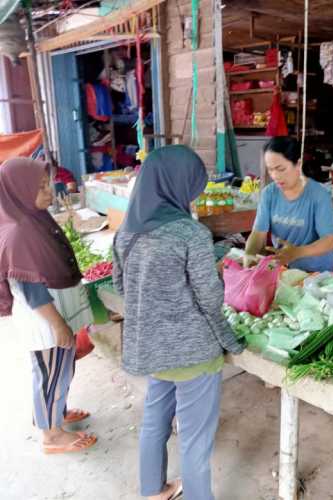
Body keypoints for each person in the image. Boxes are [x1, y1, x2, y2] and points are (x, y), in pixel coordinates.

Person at [113, 145, 245, 500]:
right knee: (195, 440)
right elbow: (209, 298)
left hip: (152, 349)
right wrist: (231, 341)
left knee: (154, 423)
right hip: (193, 353)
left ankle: (153, 490)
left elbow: (121, 285)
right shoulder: (191, 234)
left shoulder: (126, 232)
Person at [0, 158, 97, 454]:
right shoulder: (19, 232)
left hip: (54, 315)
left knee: (60, 370)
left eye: (48, 183)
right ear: (18, 190)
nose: (49, 191)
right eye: (40, 187)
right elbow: (31, 289)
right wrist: (58, 325)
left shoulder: (34, 218)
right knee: (49, 374)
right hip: (44, 321)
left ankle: (57, 413)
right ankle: (51, 435)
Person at [244, 137, 333, 272]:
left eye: (281, 169)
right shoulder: (269, 194)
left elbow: (329, 240)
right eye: (270, 170)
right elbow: (258, 233)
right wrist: (249, 255)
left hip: (318, 273)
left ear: (298, 164)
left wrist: (296, 253)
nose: (275, 176)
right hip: (285, 270)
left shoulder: (319, 195)